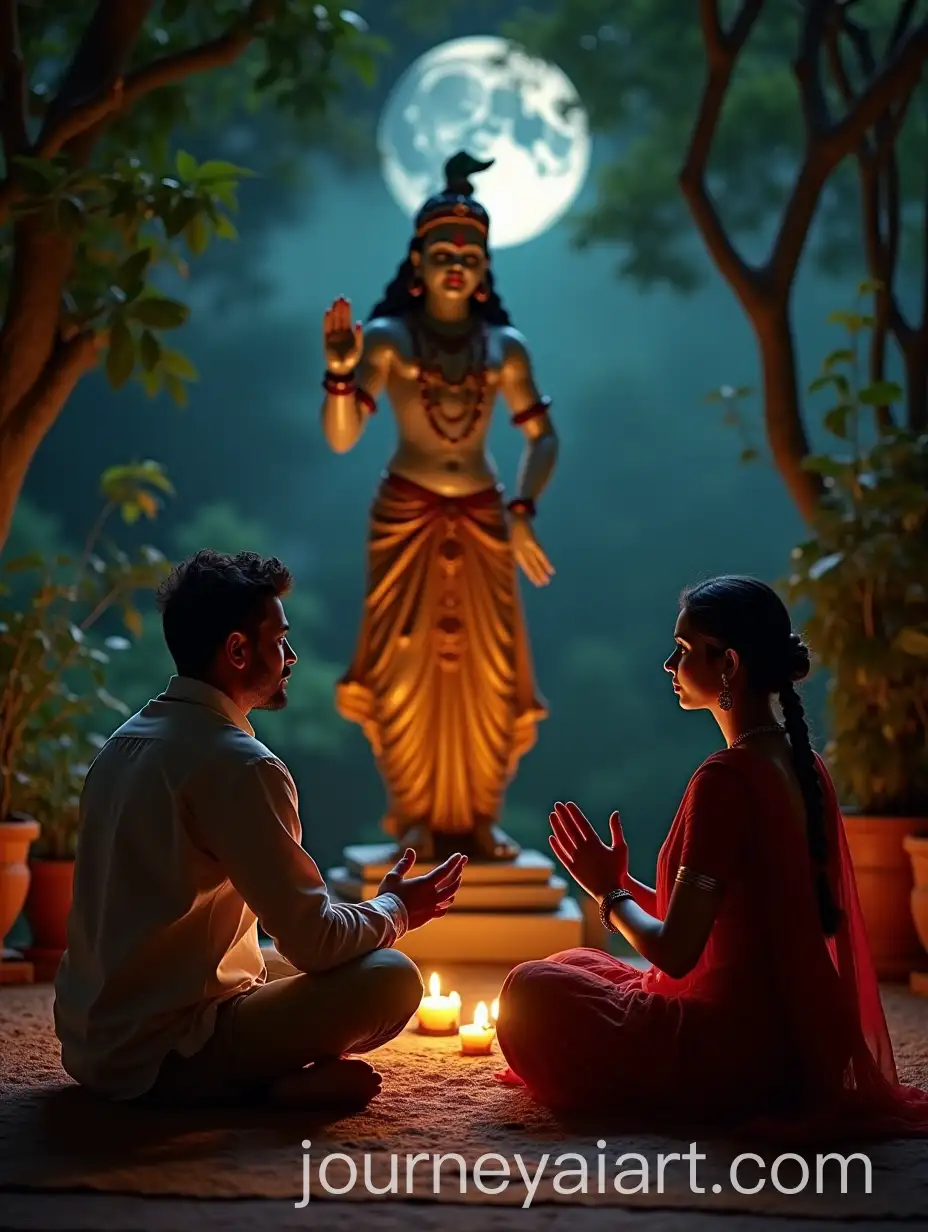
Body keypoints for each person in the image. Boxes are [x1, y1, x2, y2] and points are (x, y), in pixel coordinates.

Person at [494, 575, 928, 1139]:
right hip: (796, 1041)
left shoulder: (725, 779)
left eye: (682, 650)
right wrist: (622, 884)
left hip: (735, 1054)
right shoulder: (803, 763)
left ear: (728, 664)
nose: (668, 666)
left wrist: (610, 893)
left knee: (529, 992)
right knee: (573, 965)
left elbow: (676, 953)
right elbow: (732, 917)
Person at [54, 550, 466, 1109]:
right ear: (238, 650)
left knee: (266, 958)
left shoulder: (123, 744)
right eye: (279, 641)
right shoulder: (241, 765)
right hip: (165, 1056)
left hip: (88, 1046)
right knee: (390, 976)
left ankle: (260, 1077)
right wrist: (394, 910)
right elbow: (315, 944)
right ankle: (259, 1091)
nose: (291, 657)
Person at [320, 150, 555, 864]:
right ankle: (414, 817)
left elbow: (543, 438)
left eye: (471, 253)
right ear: (416, 262)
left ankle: (480, 817)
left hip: (485, 518)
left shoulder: (504, 349)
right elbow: (342, 438)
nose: (457, 263)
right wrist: (338, 372)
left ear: (486, 267)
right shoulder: (389, 340)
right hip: (406, 517)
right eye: (443, 251)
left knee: (489, 672)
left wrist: (522, 508)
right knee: (403, 669)